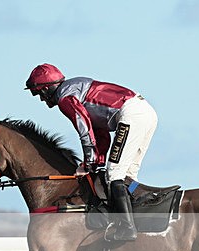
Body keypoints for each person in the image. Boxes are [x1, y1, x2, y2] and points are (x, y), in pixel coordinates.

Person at [25, 63, 158, 242]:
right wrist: (95, 162)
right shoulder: (75, 88)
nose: (41, 99)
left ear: (47, 89)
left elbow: (85, 130)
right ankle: (138, 212)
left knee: (114, 175)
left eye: (38, 93)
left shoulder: (65, 98)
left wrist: (88, 163)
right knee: (127, 175)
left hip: (131, 115)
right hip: (146, 113)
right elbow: (100, 134)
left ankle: (127, 227)